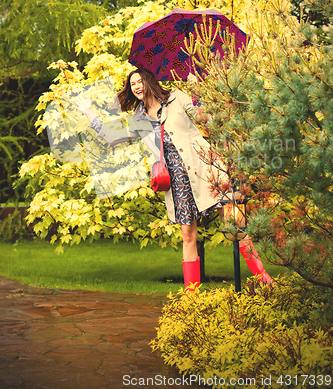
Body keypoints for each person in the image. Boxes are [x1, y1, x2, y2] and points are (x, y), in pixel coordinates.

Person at [74, 68, 272, 291]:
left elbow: (204, 118)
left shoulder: (177, 97)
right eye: (132, 84)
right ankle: (192, 298)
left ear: (149, 81)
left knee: (236, 225)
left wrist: (198, 93)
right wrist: (90, 113)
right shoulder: (138, 119)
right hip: (177, 182)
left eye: (140, 81)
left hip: (207, 170)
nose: (137, 86)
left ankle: (263, 277)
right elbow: (112, 137)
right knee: (188, 235)